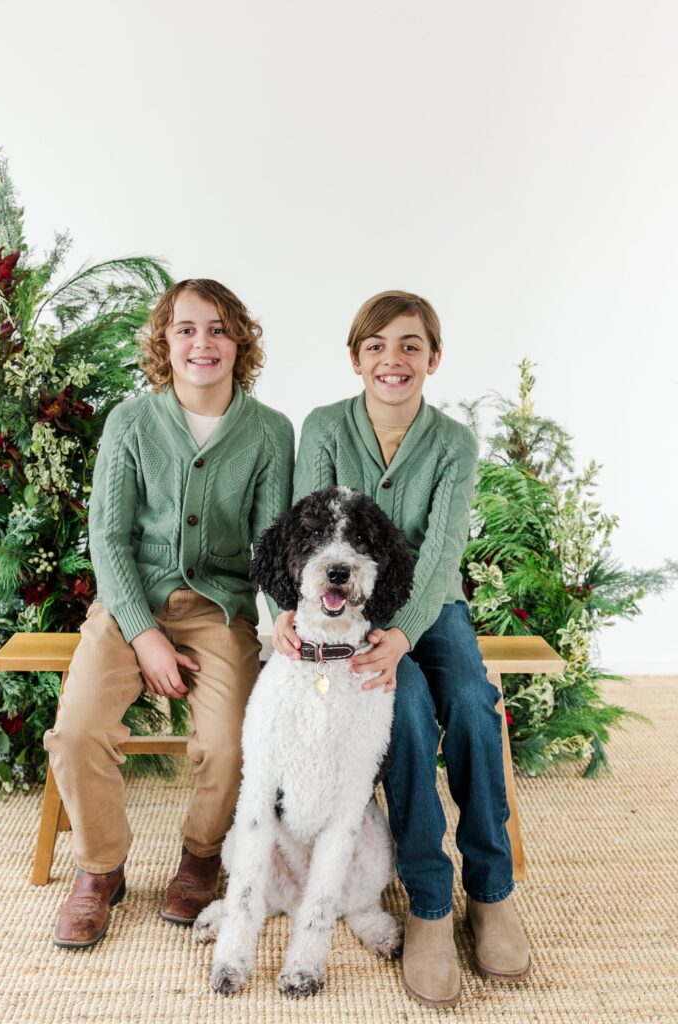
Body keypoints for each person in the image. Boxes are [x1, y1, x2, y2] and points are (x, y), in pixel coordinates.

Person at [275, 290, 530, 1007]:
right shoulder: (324, 428)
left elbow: (444, 549)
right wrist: (295, 615)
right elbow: (311, 534)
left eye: (411, 346)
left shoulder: (452, 443)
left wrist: (403, 634)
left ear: (434, 359)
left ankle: (491, 890)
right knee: (408, 716)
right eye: (378, 346)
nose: (394, 359)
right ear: (356, 359)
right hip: (351, 612)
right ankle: (429, 903)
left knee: (475, 710)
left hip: (430, 608)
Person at [45, 278, 294, 949]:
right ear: (165, 341)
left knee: (230, 745)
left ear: (238, 340)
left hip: (219, 609)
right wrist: (143, 633)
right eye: (186, 329)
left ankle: (200, 857)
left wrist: (283, 617)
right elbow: (109, 537)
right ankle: (101, 869)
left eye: (217, 328)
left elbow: (272, 543)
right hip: (131, 603)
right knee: (74, 734)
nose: (201, 343)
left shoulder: (270, 432)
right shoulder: (130, 422)